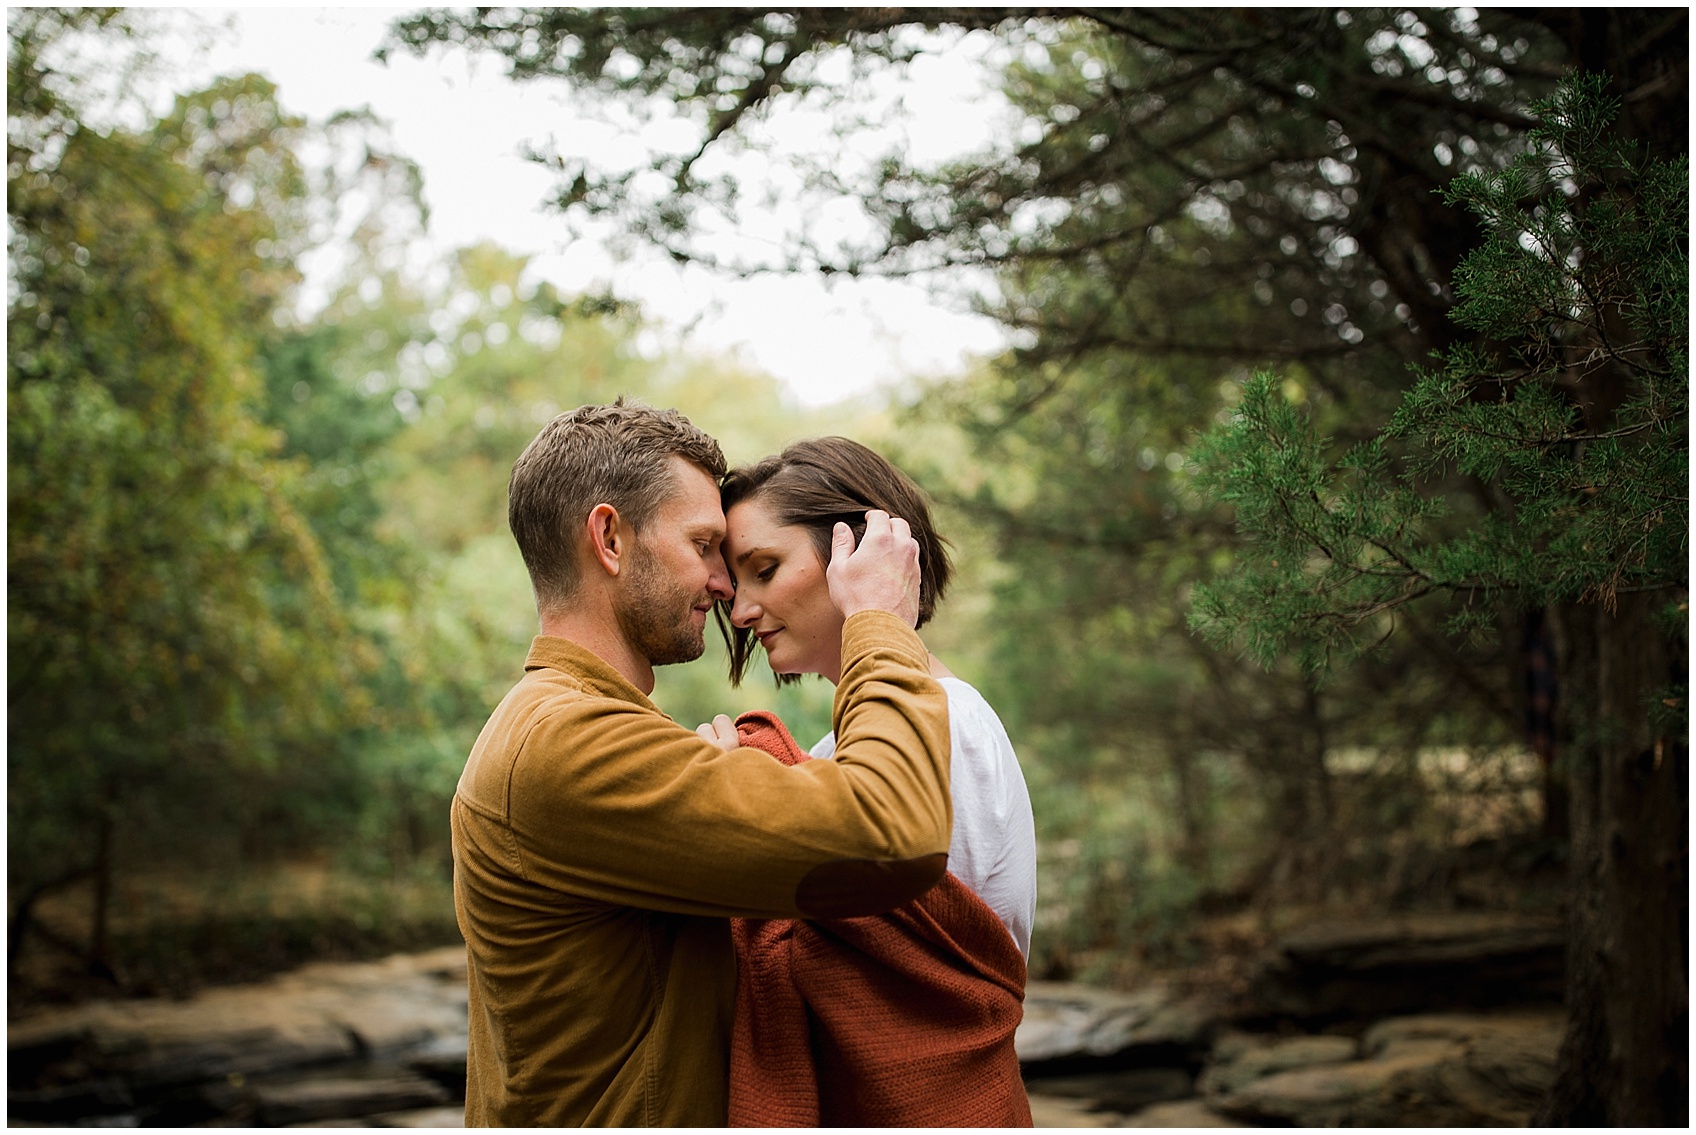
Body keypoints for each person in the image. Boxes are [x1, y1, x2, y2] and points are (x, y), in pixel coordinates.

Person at [453, 402, 955, 1127]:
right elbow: (890, 832)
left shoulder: (575, 724)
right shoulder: (567, 741)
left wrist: (725, 783)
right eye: (704, 544)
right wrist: (876, 625)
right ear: (610, 538)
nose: (726, 585)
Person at [703, 436, 1038, 1126]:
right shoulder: (837, 750)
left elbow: (923, 973)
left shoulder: (951, 720)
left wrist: (735, 800)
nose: (740, 612)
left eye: (765, 569)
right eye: (737, 586)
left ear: (860, 551)